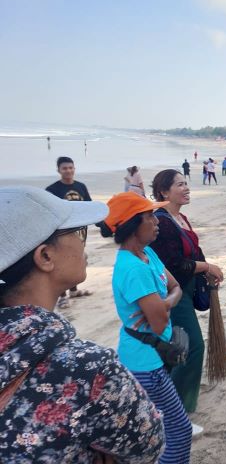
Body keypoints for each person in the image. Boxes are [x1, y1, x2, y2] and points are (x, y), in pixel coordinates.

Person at [0, 186, 164, 463]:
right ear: (45, 257)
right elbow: (149, 445)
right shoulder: (87, 369)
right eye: (76, 232)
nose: (81, 241)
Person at [104, 191, 192, 463]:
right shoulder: (133, 268)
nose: (156, 222)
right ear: (132, 225)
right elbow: (160, 321)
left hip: (153, 354)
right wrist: (165, 306)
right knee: (180, 429)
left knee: (160, 425)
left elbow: (175, 287)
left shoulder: (148, 254)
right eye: (149, 216)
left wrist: (162, 302)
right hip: (145, 362)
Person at [149, 169, 224, 425]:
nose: (186, 188)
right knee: (192, 347)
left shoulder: (180, 218)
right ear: (163, 191)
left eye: (186, 183)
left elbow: (195, 251)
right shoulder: (163, 222)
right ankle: (177, 412)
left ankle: (160, 403)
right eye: (180, 184)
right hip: (174, 292)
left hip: (188, 289)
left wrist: (209, 269)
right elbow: (173, 264)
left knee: (172, 351)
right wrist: (206, 267)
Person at [46, 156, 94, 306]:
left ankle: (73, 291)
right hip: (61, 235)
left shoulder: (81, 187)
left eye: (70, 167)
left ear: (74, 169)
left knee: (76, 261)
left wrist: (103, 224)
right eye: (64, 168)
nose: (68, 171)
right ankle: (62, 297)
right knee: (61, 264)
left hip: (80, 233)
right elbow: (47, 212)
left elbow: (89, 206)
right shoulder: (52, 190)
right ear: (59, 170)